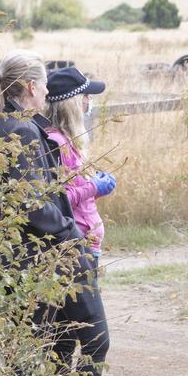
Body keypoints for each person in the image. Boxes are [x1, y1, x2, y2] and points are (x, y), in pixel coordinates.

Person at [0, 50, 109, 376]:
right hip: (43, 253)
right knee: (90, 336)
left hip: (20, 255)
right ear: (33, 87)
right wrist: (73, 235)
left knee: (35, 345)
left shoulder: (4, 128)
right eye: (41, 86)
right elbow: (35, 206)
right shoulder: (20, 131)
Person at [45, 66, 116, 265]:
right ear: (74, 102)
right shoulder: (56, 142)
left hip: (87, 244)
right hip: (77, 246)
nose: (89, 101)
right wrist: (94, 186)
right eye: (85, 95)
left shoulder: (68, 139)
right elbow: (59, 199)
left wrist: (96, 188)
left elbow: (76, 194)